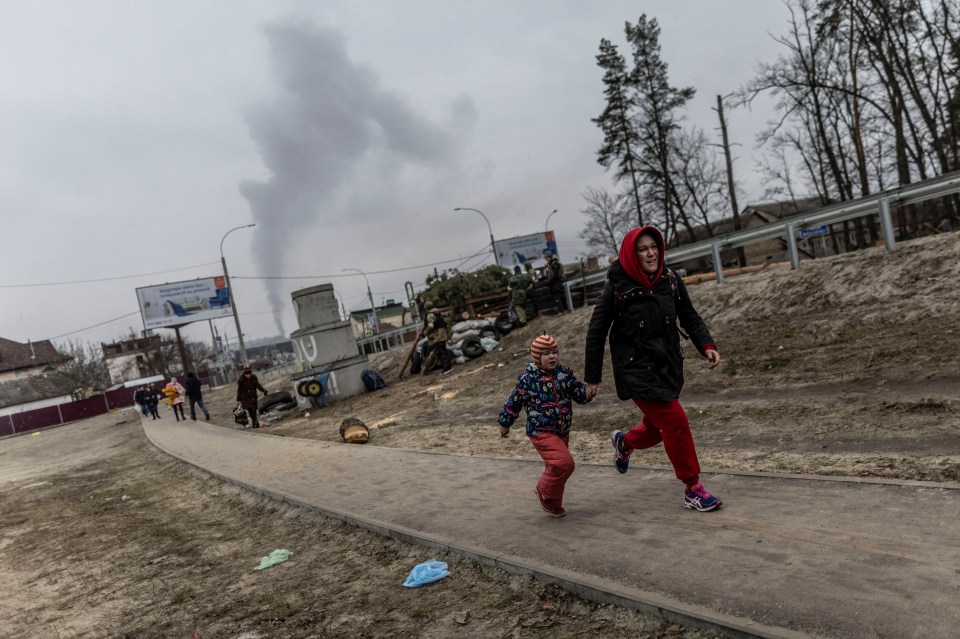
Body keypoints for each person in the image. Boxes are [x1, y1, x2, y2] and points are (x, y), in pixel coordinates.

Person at [583, 226, 723, 512]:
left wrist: (706, 344)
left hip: (666, 365)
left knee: (659, 429)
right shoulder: (617, 285)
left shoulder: (669, 279)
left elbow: (689, 315)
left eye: (654, 247)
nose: (651, 253)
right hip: (634, 369)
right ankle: (692, 489)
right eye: (643, 248)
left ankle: (624, 442)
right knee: (675, 422)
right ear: (632, 254)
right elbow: (596, 332)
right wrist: (592, 378)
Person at [498, 335, 592, 518]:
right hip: (540, 431)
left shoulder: (564, 373)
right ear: (536, 357)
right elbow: (513, 402)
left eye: (555, 352)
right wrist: (504, 423)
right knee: (564, 464)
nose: (552, 357)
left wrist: (587, 393)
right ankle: (543, 490)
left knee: (557, 468)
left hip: (562, 430)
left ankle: (553, 503)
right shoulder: (528, 380)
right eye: (546, 353)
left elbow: (578, 394)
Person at [422, 301, 453, 375]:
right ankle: (449, 367)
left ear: (426, 308)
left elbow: (430, 326)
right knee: (444, 351)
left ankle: (446, 369)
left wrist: (425, 333)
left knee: (440, 352)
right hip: (442, 334)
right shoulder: (438, 312)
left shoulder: (430, 315)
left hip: (436, 336)